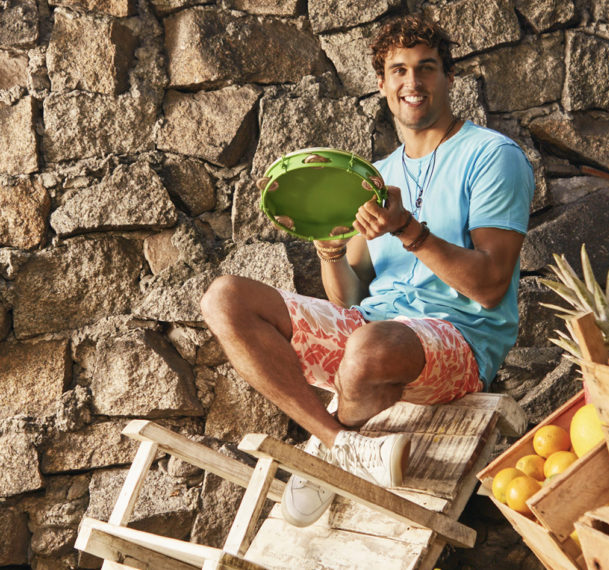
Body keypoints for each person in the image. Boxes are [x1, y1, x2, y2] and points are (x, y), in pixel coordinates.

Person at [199, 14, 535, 527]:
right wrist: (330, 253)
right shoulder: (376, 176)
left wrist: (408, 230)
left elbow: (490, 287)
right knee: (224, 298)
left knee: (370, 346)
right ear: (382, 84)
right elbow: (351, 304)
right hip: (375, 336)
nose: (413, 82)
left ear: (448, 78)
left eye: (426, 68)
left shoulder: (491, 157)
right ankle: (341, 445)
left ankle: (319, 458)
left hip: (463, 341)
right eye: (399, 70)